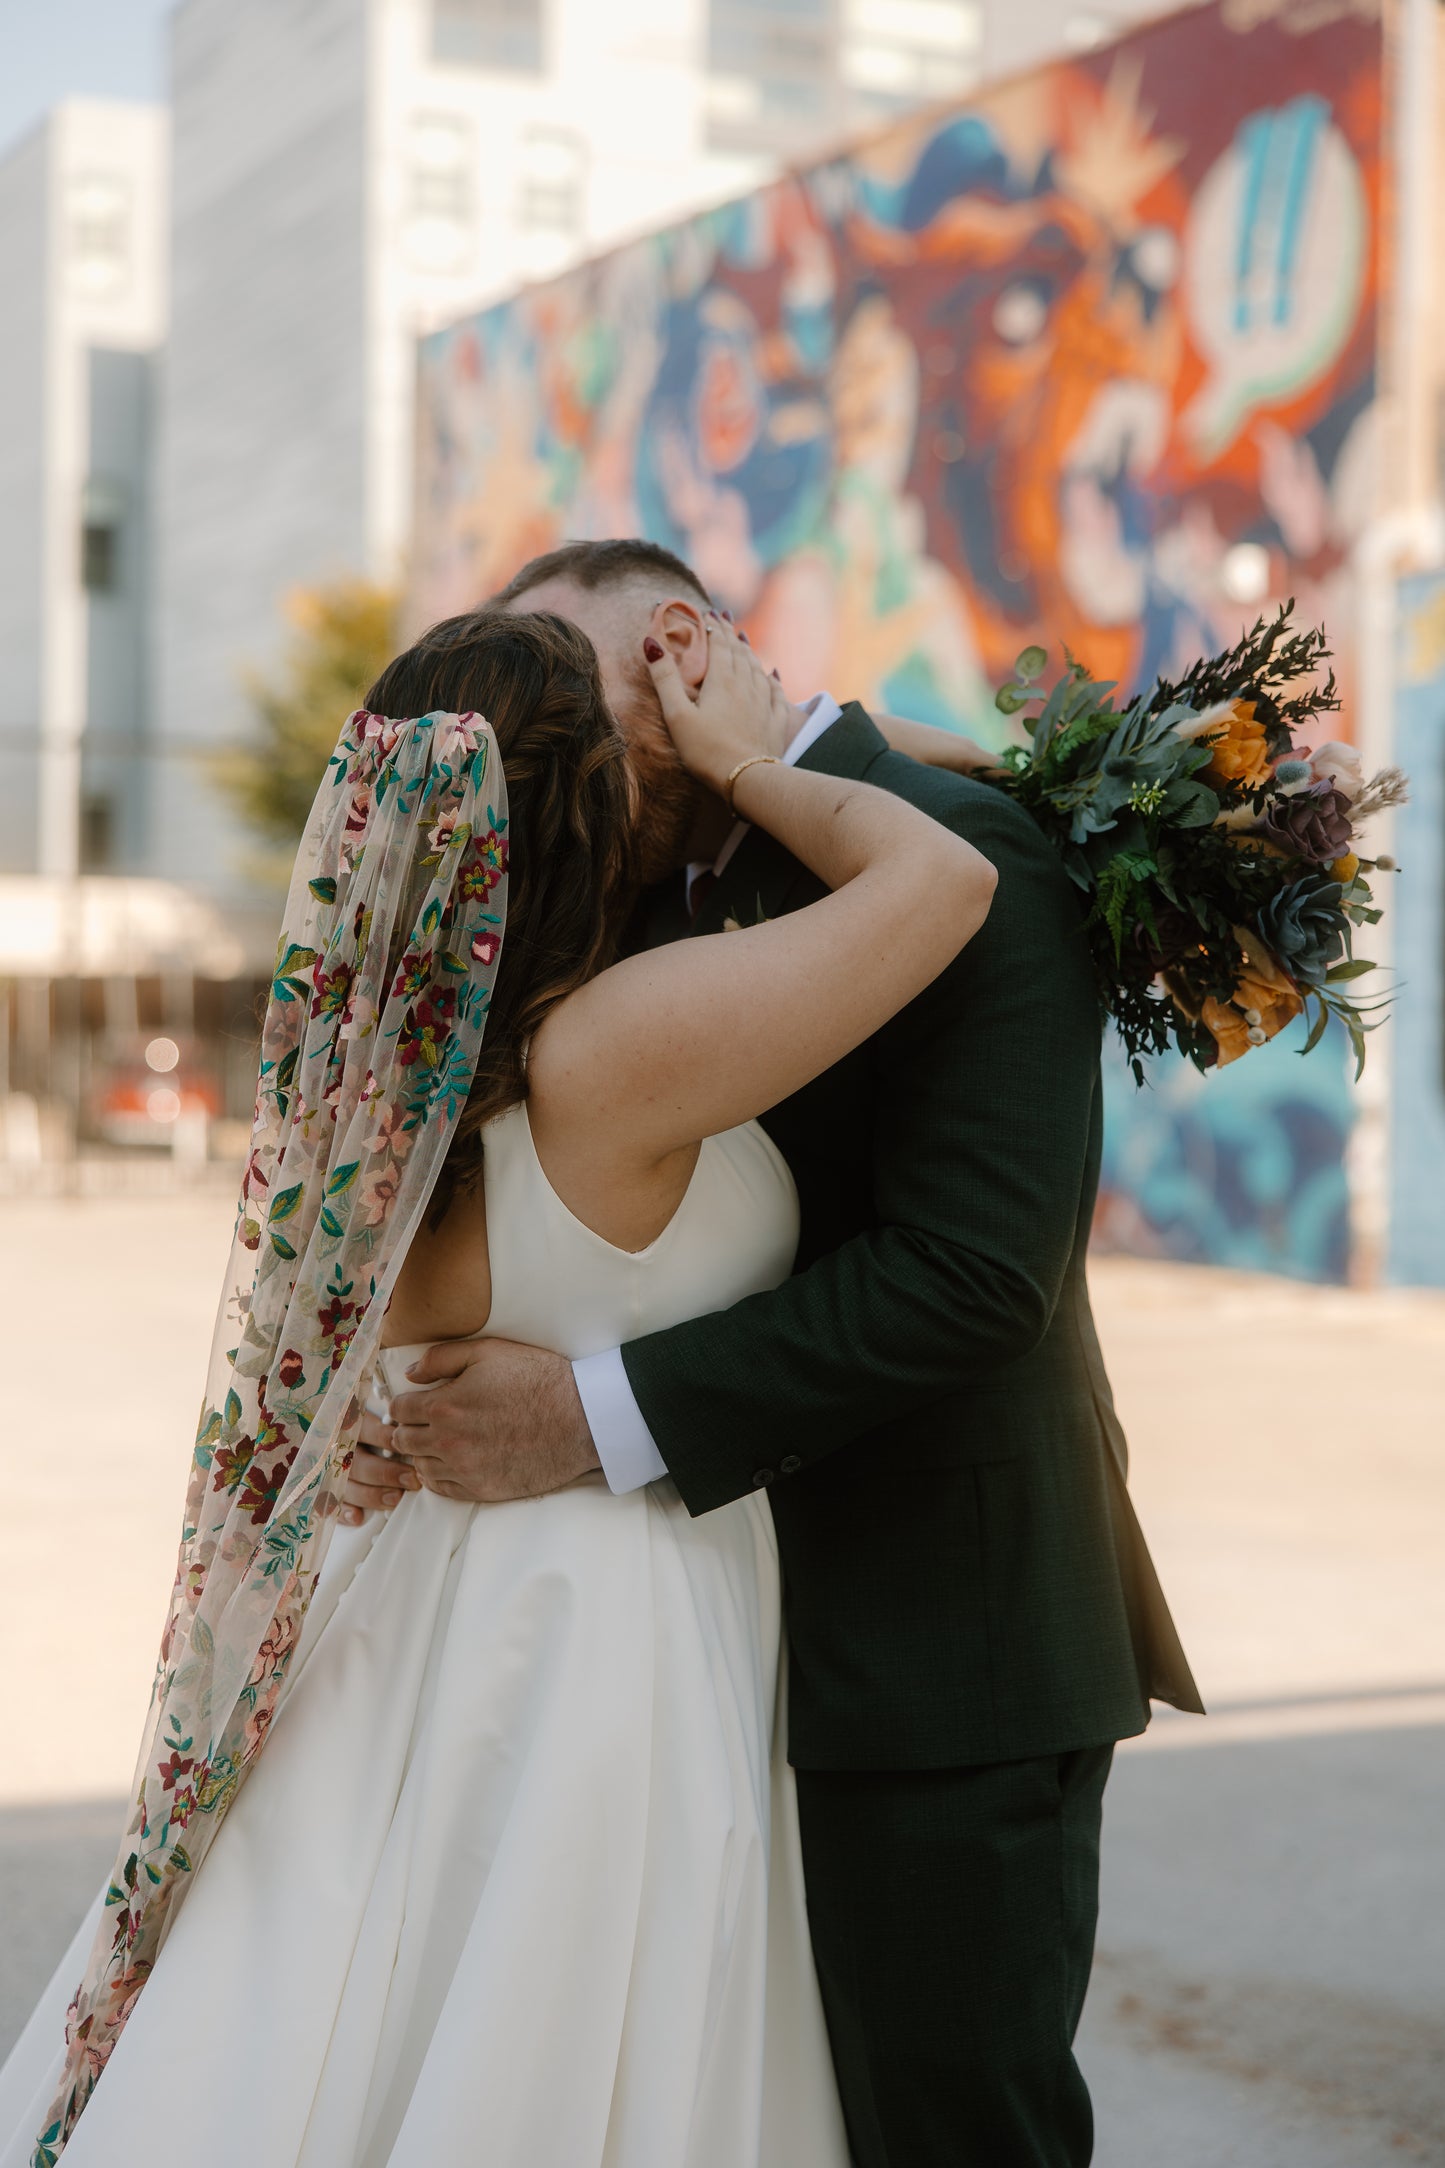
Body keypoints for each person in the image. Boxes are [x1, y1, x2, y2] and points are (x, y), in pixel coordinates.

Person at [0, 606, 995, 2168]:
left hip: (414, 1602)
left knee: (365, 2001)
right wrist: (761, 747)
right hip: (610, 1624)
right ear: (597, 806)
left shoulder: (365, 1104)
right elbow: (945, 879)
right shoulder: (613, 1054)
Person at [342, 539, 1204, 2168]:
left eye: (569, 690)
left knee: (939, 2125)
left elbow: (966, 1278)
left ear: (679, 649)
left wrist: (587, 1416)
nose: (550, 752)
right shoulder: (609, 897)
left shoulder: (967, 858)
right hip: (675, 1642)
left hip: (929, 1638)